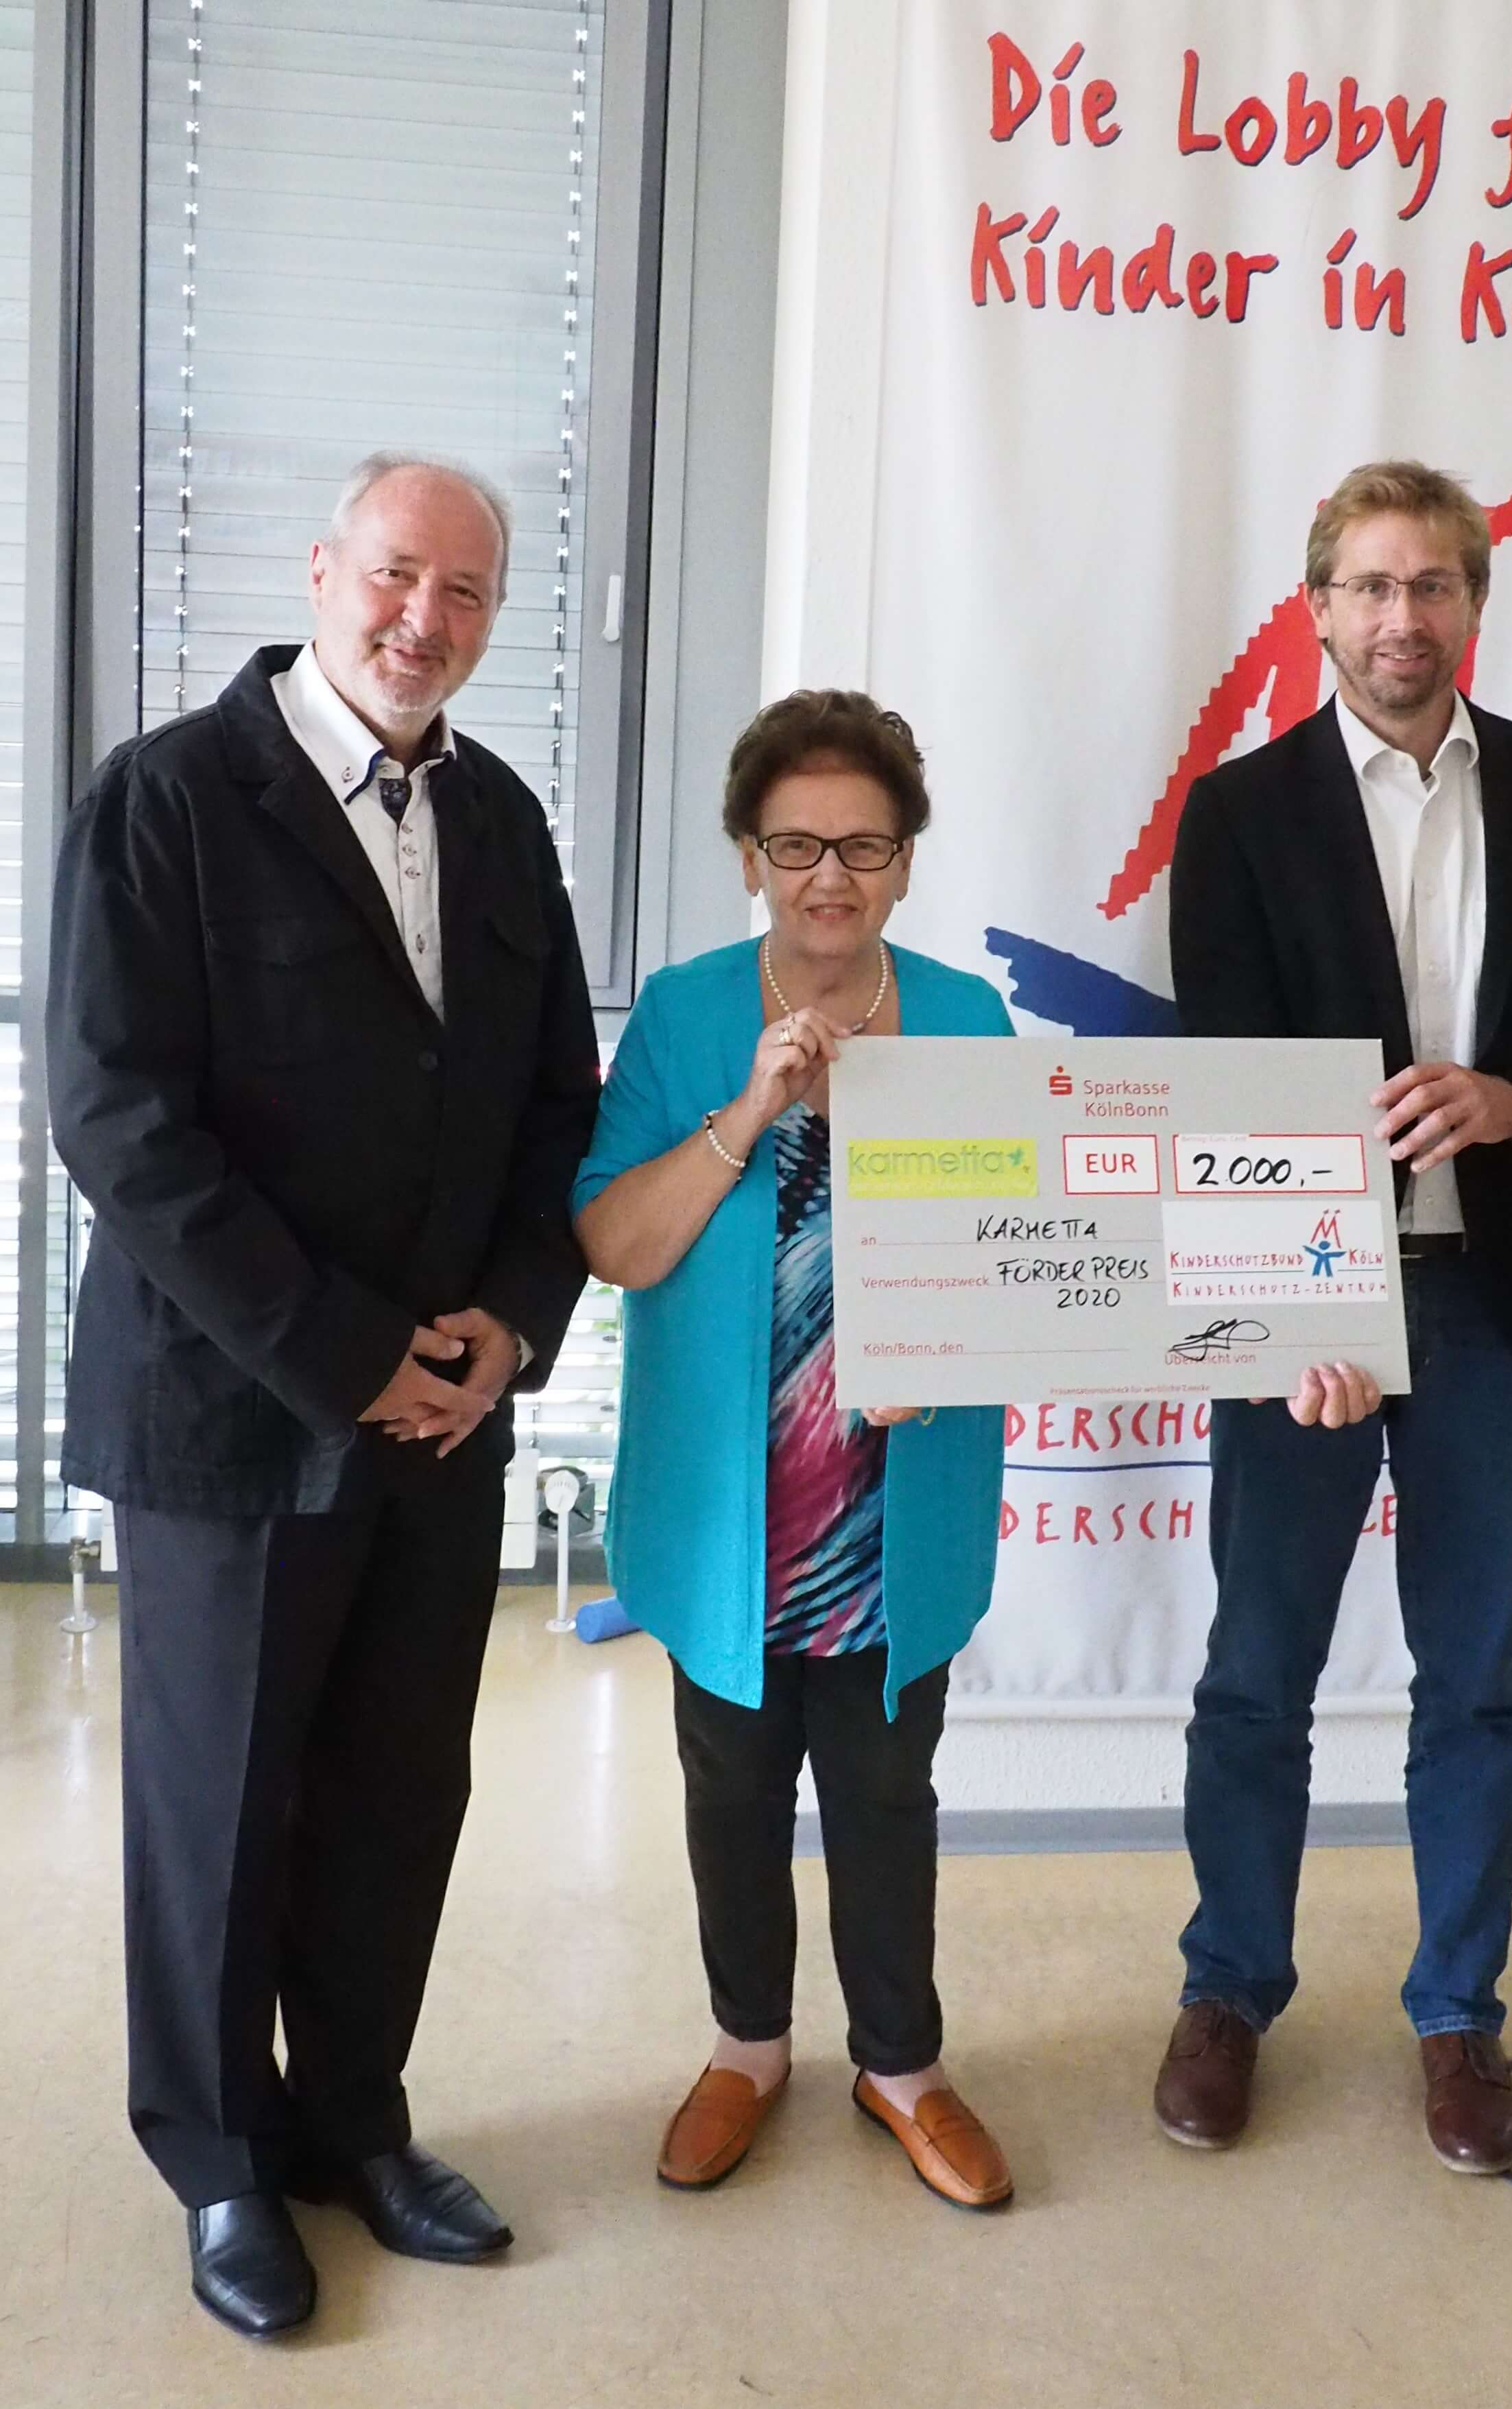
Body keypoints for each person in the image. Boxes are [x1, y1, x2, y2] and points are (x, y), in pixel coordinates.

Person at [47, 454, 601, 2339]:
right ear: (319, 570)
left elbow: (556, 1108)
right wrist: (354, 1354)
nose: (421, 618)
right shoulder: (170, 800)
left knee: (393, 1791)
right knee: (219, 1804)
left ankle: (355, 2120)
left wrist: (510, 1324)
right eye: (394, 573)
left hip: (445, 1421)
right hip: (229, 1414)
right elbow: (121, 1123)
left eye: (465, 592)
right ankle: (220, 2159)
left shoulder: (503, 819)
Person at [1156, 460, 1512, 2169]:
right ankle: (1228, 1987)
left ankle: (1458, 2011)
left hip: (1494, 1306)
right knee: (1255, 1672)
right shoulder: (1240, 813)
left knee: (1479, 1684)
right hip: (1297, 1309)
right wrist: (1294, 1298)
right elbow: (1227, 1071)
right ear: (1318, 609)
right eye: (1370, 586)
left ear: (1475, 604)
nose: (1402, 616)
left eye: (1433, 583)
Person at [573, 689, 1017, 2214]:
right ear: (749, 855)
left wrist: (950, 1357)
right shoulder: (685, 1012)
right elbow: (615, 1244)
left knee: (889, 1793)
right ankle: (747, 2049)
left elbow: (1028, 1258)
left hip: (902, 1503)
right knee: (732, 1790)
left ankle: (902, 2065)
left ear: (906, 861)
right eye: (797, 844)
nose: (831, 875)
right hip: (726, 1507)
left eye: (864, 846)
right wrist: (747, 1111)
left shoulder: (966, 1018)